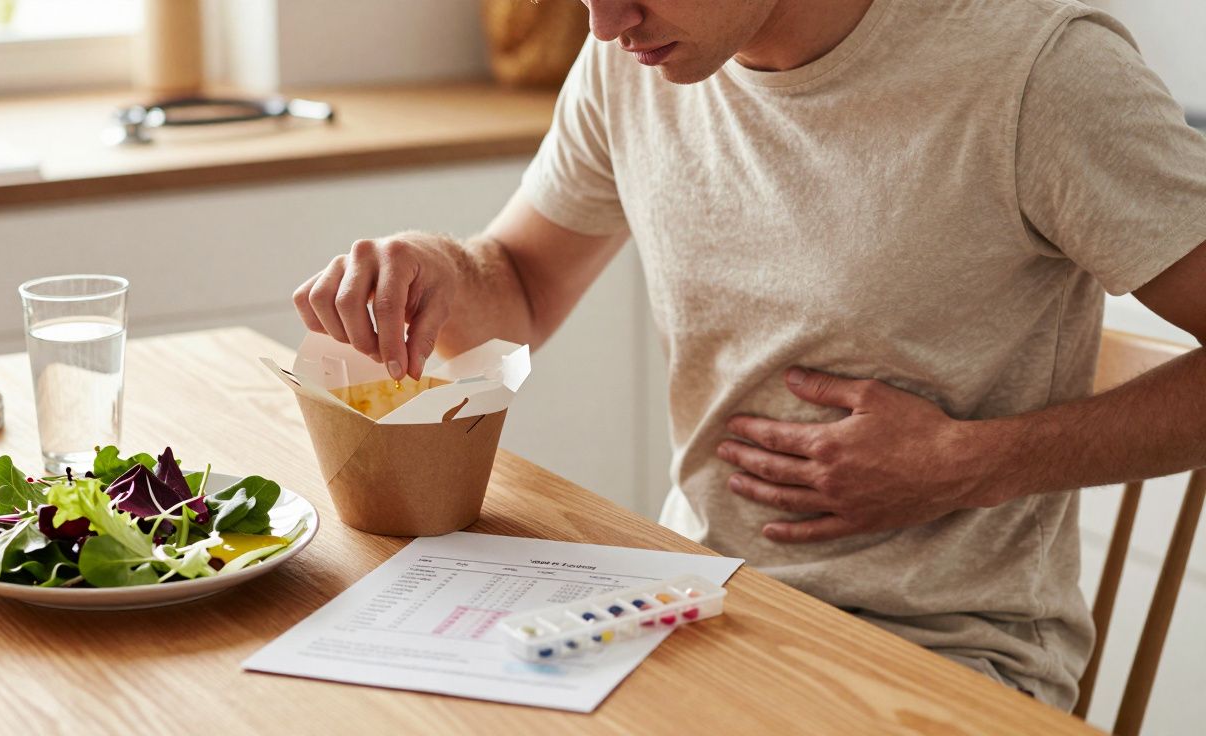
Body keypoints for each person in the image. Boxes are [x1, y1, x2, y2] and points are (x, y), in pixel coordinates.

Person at [293, 0, 1206, 710]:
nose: (604, 24)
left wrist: (970, 464)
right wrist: (435, 271)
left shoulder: (1039, 75)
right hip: (691, 607)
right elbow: (521, 287)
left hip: (944, 657)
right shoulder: (630, 58)